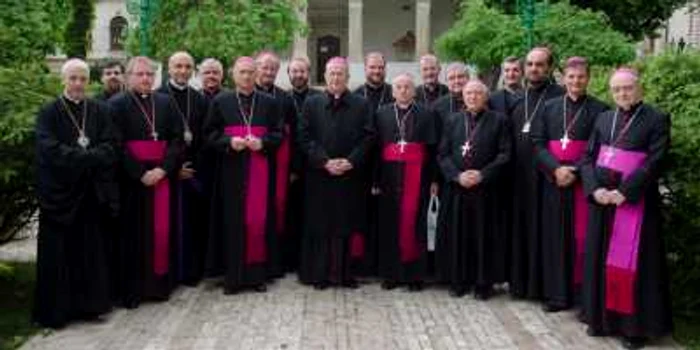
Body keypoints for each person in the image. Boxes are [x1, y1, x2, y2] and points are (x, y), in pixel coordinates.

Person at [580, 68, 672, 349]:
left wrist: (625, 192)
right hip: (603, 204)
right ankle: (600, 319)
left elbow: (655, 162)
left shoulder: (656, 118)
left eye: (628, 88)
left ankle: (633, 329)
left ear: (639, 88)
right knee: (600, 261)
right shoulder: (604, 118)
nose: (622, 93)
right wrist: (595, 189)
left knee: (634, 267)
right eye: (617, 89)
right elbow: (587, 158)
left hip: (635, 205)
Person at [33, 58, 117, 328]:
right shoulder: (49, 111)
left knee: (90, 252)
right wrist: (86, 158)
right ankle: (58, 312)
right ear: (64, 80)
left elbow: (111, 145)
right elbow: (49, 148)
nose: (79, 83)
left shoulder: (99, 110)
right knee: (59, 256)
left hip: (90, 195)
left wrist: (87, 157)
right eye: (73, 78)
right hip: (60, 197)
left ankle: (90, 307)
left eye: (83, 78)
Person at [531, 57, 609, 312]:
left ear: (589, 78)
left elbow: (600, 149)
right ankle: (556, 295)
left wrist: (575, 171)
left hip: (583, 183)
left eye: (581, 77)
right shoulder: (549, 107)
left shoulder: (601, 110)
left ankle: (579, 295)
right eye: (571, 77)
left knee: (581, 239)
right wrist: (555, 169)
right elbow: (538, 143)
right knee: (554, 238)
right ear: (564, 78)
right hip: (554, 181)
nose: (576, 81)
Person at [204, 56, 282, 294]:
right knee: (232, 222)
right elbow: (209, 133)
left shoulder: (269, 102)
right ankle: (233, 277)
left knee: (257, 222)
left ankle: (256, 276)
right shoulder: (221, 100)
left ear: (257, 73)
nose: (247, 77)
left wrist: (263, 143)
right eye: (242, 72)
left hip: (260, 168)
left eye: (250, 72)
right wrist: (229, 142)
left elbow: (279, 133)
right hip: (231, 171)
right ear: (233, 74)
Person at [109, 56, 182, 308]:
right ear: (128, 77)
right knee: (133, 235)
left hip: (161, 178)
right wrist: (140, 173)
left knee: (160, 232)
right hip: (132, 182)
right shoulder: (116, 105)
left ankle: (158, 287)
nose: (145, 79)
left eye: (149, 74)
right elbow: (116, 144)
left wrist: (163, 169)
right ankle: (133, 290)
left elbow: (176, 140)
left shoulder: (165, 102)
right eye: (139, 74)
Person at [297, 57, 375, 289]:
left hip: (350, 177)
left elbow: (369, 136)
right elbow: (304, 136)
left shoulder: (362, 104)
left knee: (347, 226)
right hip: (320, 176)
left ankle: (345, 275)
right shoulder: (312, 103)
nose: (335, 77)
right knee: (322, 226)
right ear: (325, 76)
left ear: (348, 77)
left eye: (340, 73)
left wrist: (351, 161)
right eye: (331, 73)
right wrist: (324, 161)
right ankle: (321, 275)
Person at [436, 79, 511, 299]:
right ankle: (458, 280)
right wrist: (457, 176)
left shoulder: (499, 121)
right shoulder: (453, 120)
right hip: (458, 189)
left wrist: (482, 174)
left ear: (486, 96)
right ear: (463, 96)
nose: (473, 97)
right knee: (458, 235)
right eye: (469, 93)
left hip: (486, 191)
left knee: (483, 237)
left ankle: (482, 283)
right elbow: (443, 154)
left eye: (478, 93)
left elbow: (505, 154)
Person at [508, 47, 565, 299]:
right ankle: (520, 285)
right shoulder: (517, 98)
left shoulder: (560, 97)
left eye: (540, 64)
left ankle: (544, 288)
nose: (534, 69)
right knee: (520, 230)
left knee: (546, 233)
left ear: (550, 67)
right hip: (518, 177)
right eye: (530, 64)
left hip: (546, 177)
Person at [374, 73, 438, 291]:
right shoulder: (381, 113)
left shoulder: (427, 114)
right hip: (389, 177)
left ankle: (414, 276)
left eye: (407, 87)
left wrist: (434, 179)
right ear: (393, 91)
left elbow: (432, 150)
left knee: (415, 224)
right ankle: (390, 274)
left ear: (414, 90)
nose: (403, 90)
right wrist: (375, 180)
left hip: (418, 177)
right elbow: (376, 148)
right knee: (390, 224)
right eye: (399, 87)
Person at [157, 51, 209, 286]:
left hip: (194, 171)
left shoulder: (198, 99)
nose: (183, 71)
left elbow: (205, 137)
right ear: (169, 68)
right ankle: (168, 273)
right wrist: (174, 168)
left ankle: (190, 272)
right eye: (178, 66)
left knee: (192, 224)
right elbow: (159, 141)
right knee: (166, 225)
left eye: (188, 66)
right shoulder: (158, 97)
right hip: (166, 173)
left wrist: (193, 166)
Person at [255, 52, 297, 274]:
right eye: (265, 67)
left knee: (278, 211)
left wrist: (293, 168)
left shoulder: (284, 98)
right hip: (253, 163)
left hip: (279, 164)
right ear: (256, 68)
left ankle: (276, 262)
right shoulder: (244, 95)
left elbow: (294, 133)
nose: (269, 72)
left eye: (273, 68)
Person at [353, 52, 394, 275]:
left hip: (388, 164)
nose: (376, 71)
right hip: (361, 163)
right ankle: (362, 263)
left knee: (385, 215)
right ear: (365, 69)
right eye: (372, 67)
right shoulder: (356, 95)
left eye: (380, 68)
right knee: (361, 213)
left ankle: (382, 261)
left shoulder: (393, 92)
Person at [285, 56, 322, 271]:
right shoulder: (282, 98)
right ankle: (291, 260)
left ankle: (311, 259)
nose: (299, 75)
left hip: (315, 166)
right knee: (291, 215)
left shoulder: (319, 98)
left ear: (309, 73)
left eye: (302, 71)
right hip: (290, 168)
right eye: (295, 71)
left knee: (313, 215)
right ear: (288, 73)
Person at [432, 63, 469, 136]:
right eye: (451, 78)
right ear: (447, 82)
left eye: (460, 77)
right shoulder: (437, 106)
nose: (456, 81)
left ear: (468, 78)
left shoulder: (479, 101)